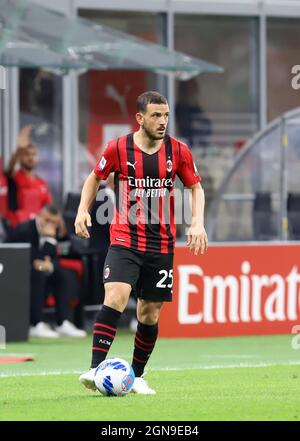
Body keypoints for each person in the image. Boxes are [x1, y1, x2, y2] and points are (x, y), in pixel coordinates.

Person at [75, 91, 208, 394]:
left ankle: (135, 376)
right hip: (124, 239)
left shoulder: (179, 151)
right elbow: (95, 177)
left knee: (149, 312)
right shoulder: (118, 148)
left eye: (166, 115)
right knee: (117, 296)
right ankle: (95, 369)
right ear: (140, 118)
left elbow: (195, 188)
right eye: (156, 116)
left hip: (161, 244)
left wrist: (197, 221)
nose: (163, 122)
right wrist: (82, 210)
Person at [7, 204, 86, 338]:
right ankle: (35, 323)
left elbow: (54, 259)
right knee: (38, 273)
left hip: (40, 269)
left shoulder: (58, 231)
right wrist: (49, 242)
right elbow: (32, 261)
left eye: (54, 222)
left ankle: (63, 323)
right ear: (39, 216)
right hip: (16, 272)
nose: (50, 224)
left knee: (66, 274)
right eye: (47, 220)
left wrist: (49, 262)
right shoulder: (24, 230)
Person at [6, 125, 53, 226]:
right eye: (27, 154)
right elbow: (9, 170)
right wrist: (19, 148)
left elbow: (49, 208)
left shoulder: (42, 183)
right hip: (19, 226)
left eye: (33, 154)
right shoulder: (15, 177)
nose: (30, 158)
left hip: (39, 227)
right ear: (20, 157)